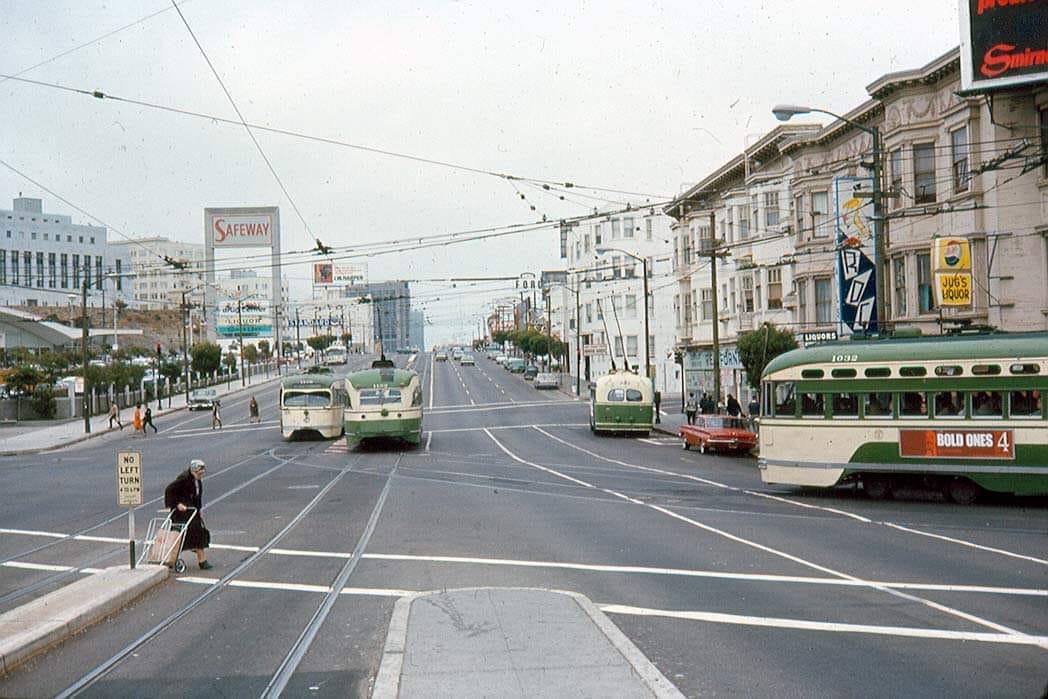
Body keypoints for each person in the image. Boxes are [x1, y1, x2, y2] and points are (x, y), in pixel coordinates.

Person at [163, 459, 212, 570]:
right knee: (179, 537)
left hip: (192, 512)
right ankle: (171, 559)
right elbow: (169, 491)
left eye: (202, 473)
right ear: (194, 471)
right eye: (199, 473)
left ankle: (202, 561)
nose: (201, 475)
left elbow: (197, 497)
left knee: (198, 533)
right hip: (181, 514)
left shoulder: (197, 481)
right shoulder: (184, 479)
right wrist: (177, 504)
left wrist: (199, 510)